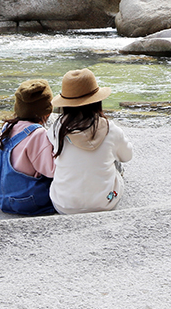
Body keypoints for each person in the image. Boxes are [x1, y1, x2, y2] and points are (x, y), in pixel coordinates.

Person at [48, 68, 133, 214]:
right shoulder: (110, 129)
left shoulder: (56, 129)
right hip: (104, 203)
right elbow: (128, 156)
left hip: (63, 204)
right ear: (97, 101)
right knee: (116, 163)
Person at [0, 79, 57, 216]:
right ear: (47, 113)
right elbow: (51, 170)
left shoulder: (8, 127)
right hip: (25, 200)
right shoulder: (38, 134)